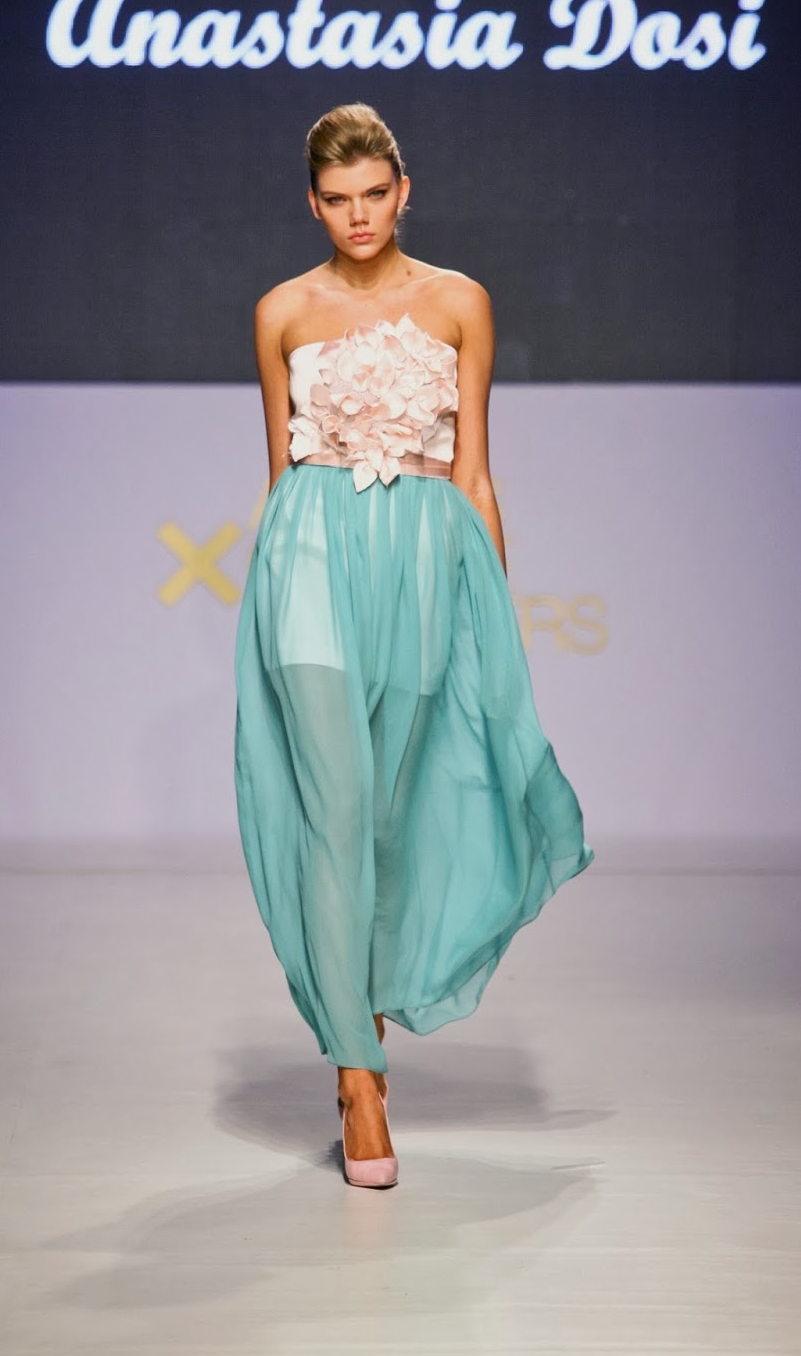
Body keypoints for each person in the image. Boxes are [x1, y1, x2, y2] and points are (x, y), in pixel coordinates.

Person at [234, 103, 592, 1189]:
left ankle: (365, 1028)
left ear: (403, 192)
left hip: (427, 557)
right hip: (309, 555)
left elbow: (474, 468)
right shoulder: (281, 312)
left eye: (373, 195)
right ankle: (357, 1080)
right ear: (312, 203)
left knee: (390, 815)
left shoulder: (458, 302)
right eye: (336, 199)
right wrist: (268, 582)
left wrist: (492, 606)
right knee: (334, 811)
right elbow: (278, 472)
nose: (358, 216)